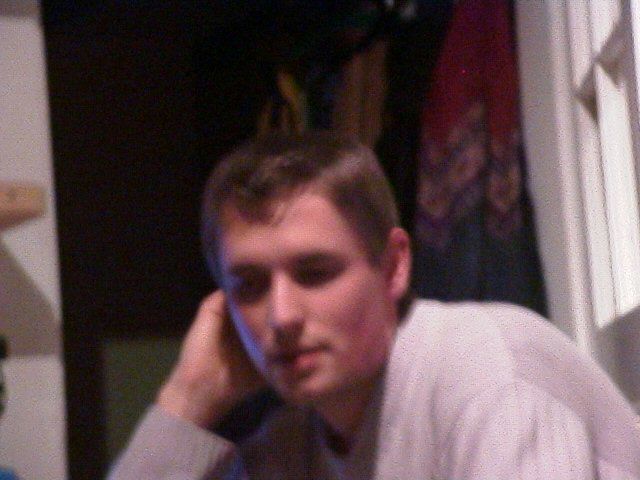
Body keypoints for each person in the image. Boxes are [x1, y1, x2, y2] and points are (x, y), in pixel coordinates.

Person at [109, 132, 640, 479]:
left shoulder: (488, 371)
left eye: (315, 273)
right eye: (249, 285)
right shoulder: (289, 449)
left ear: (393, 267)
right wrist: (188, 398)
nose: (282, 316)